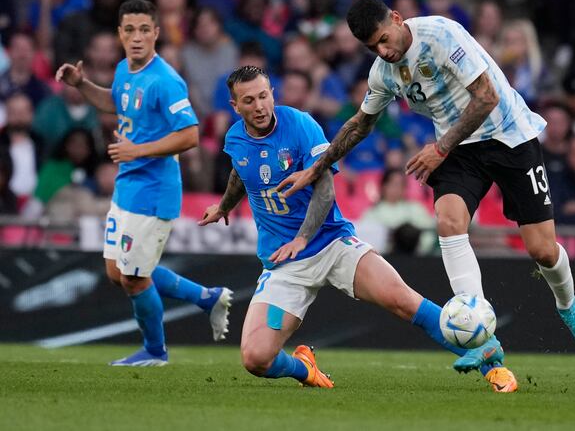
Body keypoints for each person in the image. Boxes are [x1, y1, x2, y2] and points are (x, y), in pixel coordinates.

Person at [277, 0, 575, 357]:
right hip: (460, 148)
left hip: (509, 136)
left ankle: (568, 304)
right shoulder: (383, 73)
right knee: (449, 223)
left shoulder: (442, 35)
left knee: (542, 250)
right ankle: (481, 335)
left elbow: (486, 97)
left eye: (384, 39)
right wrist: (316, 169)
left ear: (398, 19)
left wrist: (440, 147)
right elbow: (360, 125)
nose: (383, 52)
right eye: (373, 48)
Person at [199, 66, 517, 393]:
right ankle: (302, 368)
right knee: (255, 359)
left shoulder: (300, 125)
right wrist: (225, 205)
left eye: (263, 96)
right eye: (249, 100)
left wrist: (303, 237)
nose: (259, 106)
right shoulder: (235, 138)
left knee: (403, 300)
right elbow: (242, 171)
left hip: (331, 242)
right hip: (284, 262)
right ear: (235, 106)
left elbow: (325, 189)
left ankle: (493, 366)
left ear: (272, 93)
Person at [54, 0, 232, 366]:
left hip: (154, 192)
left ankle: (155, 351)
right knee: (118, 272)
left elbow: (190, 135)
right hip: (128, 186)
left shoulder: (166, 80)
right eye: (129, 30)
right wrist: (81, 85)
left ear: (156, 33)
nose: (136, 38)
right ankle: (205, 297)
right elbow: (114, 102)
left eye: (144, 30)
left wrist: (139, 151)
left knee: (135, 278)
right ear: (120, 34)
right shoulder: (124, 69)